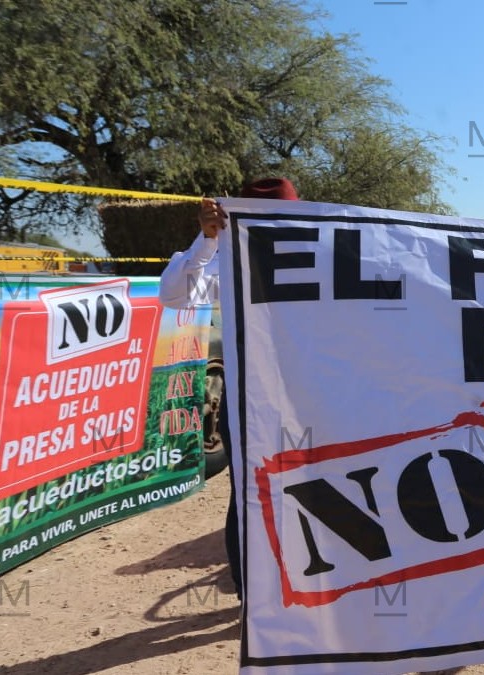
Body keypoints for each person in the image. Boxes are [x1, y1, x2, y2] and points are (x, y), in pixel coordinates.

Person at [159, 177, 300, 601]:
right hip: (251, 402)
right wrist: (207, 241)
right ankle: (250, 596)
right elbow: (174, 296)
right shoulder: (225, 260)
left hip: (307, 398)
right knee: (251, 494)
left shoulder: (321, 256)